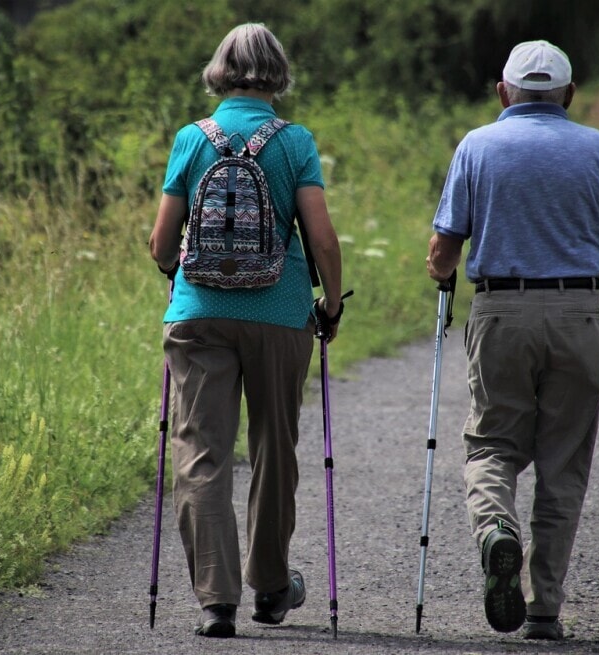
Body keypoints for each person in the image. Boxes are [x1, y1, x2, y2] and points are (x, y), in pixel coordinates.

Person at [426, 40, 599, 640]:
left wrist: (440, 274)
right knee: (563, 463)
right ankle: (544, 606)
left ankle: (498, 529)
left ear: (504, 92)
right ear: (570, 95)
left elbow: (444, 251)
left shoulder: (478, 145)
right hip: (580, 313)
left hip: (501, 311)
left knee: (492, 444)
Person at [148, 23, 343, 639]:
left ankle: (217, 602)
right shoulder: (295, 142)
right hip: (280, 313)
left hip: (199, 315)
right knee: (273, 449)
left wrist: (181, 278)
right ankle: (272, 587)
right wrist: (330, 305)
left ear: (220, 71)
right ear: (277, 72)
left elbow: (160, 243)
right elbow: (321, 237)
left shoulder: (190, 138)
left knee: (202, 453)